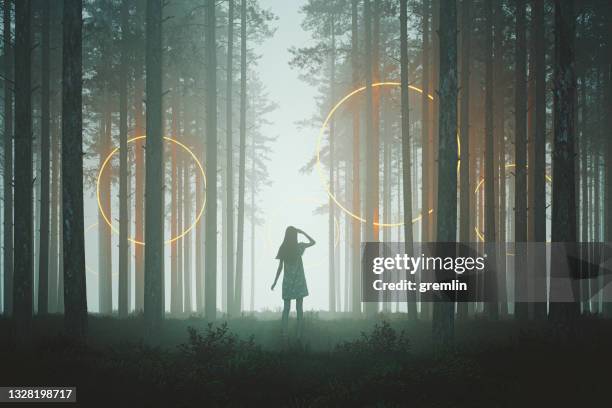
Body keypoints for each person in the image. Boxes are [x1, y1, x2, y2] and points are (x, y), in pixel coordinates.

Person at [271, 226, 315, 337]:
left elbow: (280, 267)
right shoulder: (299, 247)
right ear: (295, 235)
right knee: (299, 309)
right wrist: (303, 232)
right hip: (299, 282)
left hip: (287, 283)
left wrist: (275, 282)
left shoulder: (283, 248)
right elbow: (313, 242)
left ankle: (284, 333)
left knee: (286, 309)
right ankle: (299, 334)